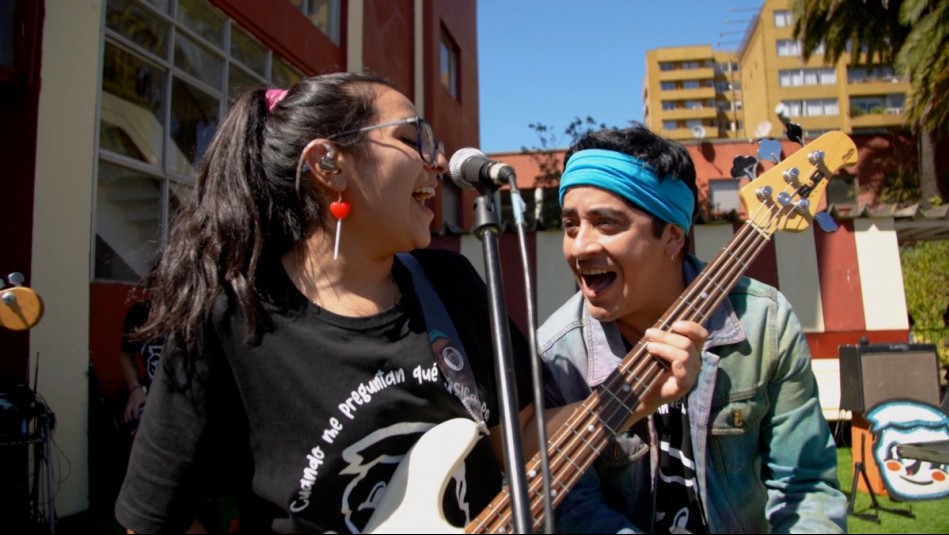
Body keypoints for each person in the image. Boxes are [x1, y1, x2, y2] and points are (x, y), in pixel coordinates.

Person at [113, 73, 700, 534]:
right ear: (328, 164)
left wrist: (631, 393)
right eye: (413, 138)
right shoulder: (230, 320)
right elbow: (153, 516)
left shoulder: (451, 283)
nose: (438, 162)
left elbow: (522, 439)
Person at [539, 124, 847, 533]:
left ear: (671, 237)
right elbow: (572, 509)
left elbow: (805, 487)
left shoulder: (764, 324)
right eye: (571, 225)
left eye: (606, 223)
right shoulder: (557, 354)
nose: (579, 247)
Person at [118, 299, 162, 435]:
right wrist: (135, 389)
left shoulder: (194, 315)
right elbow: (126, 355)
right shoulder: (139, 313)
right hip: (152, 397)